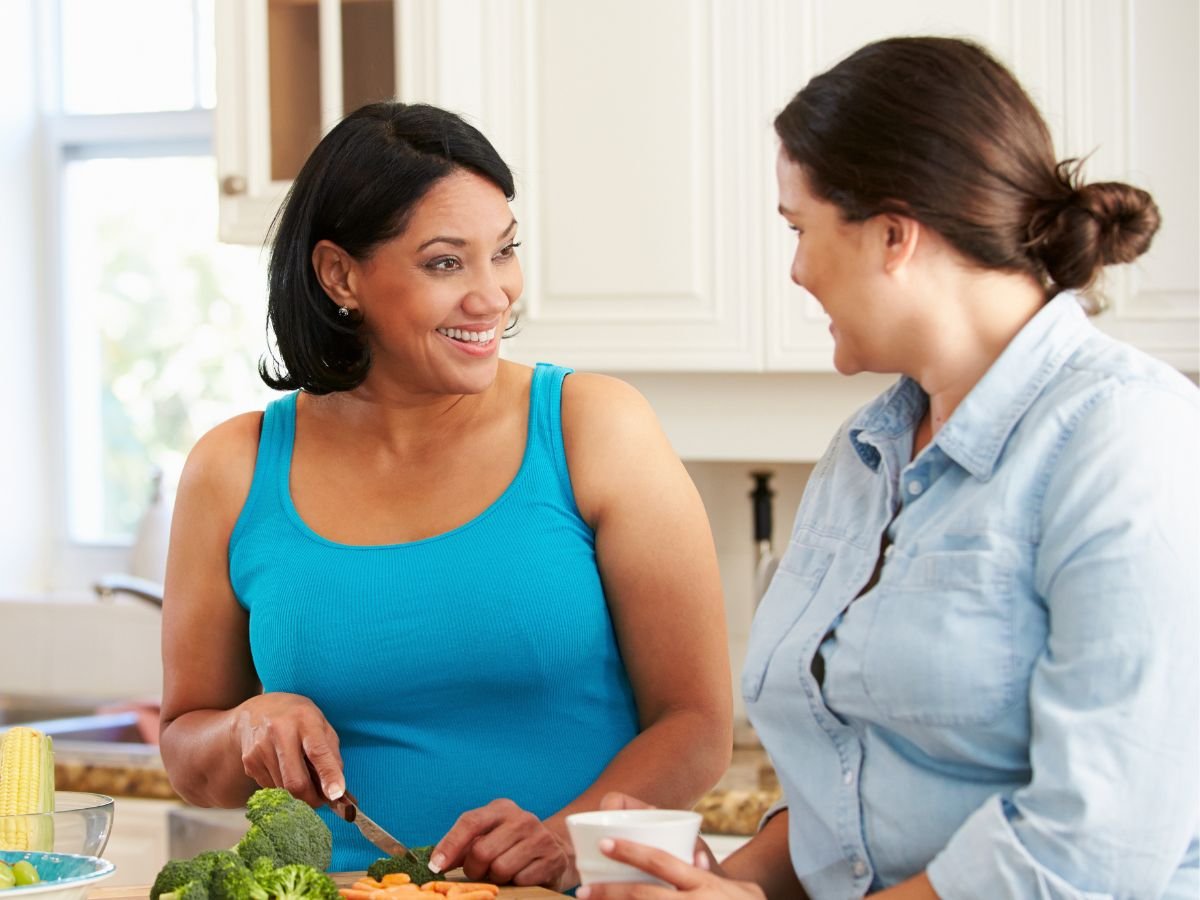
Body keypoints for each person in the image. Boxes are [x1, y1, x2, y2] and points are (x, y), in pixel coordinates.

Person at [577, 36, 1199, 900]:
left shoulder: (1128, 440)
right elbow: (850, 804)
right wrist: (715, 884)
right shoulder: (865, 454)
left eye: (800, 229)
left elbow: (1090, 851)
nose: (795, 270)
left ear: (893, 234)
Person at [158, 101, 733, 883]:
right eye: (444, 263)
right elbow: (190, 755)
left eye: (505, 252)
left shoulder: (593, 429)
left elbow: (697, 725)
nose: (492, 295)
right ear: (340, 275)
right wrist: (242, 729)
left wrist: (564, 836)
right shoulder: (233, 468)